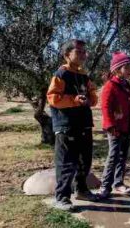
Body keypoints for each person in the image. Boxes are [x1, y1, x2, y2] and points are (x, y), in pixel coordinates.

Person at [47, 39, 99, 211]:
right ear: (67, 54)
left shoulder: (84, 75)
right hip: (66, 125)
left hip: (84, 124)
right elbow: (53, 98)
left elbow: (93, 98)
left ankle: (82, 190)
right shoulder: (61, 74)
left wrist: (90, 96)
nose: (83, 55)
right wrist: (74, 100)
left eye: (84, 52)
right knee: (66, 162)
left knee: (85, 161)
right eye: (79, 51)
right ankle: (62, 197)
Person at [98, 51, 130, 199]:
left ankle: (118, 183)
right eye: (126, 67)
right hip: (115, 129)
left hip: (127, 128)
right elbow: (105, 107)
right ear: (117, 70)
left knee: (123, 157)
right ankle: (105, 186)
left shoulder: (128, 86)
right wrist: (110, 126)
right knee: (113, 156)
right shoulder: (111, 86)